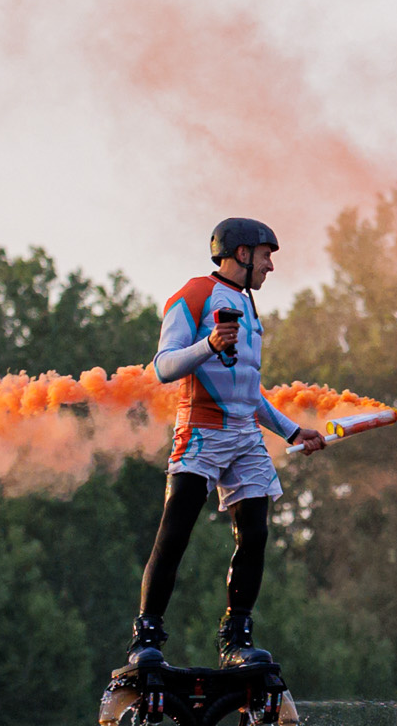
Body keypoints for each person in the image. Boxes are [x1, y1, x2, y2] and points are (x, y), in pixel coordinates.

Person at [128, 216, 328, 668]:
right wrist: (210, 345)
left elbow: (247, 388)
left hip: (245, 436)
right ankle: (146, 638)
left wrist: (292, 430)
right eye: (266, 255)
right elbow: (163, 367)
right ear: (242, 253)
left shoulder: (248, 305)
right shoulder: (194, 294)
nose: (270, 267)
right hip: (201, 428)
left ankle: (236, 639)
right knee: (176, 530)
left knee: (255, 532)